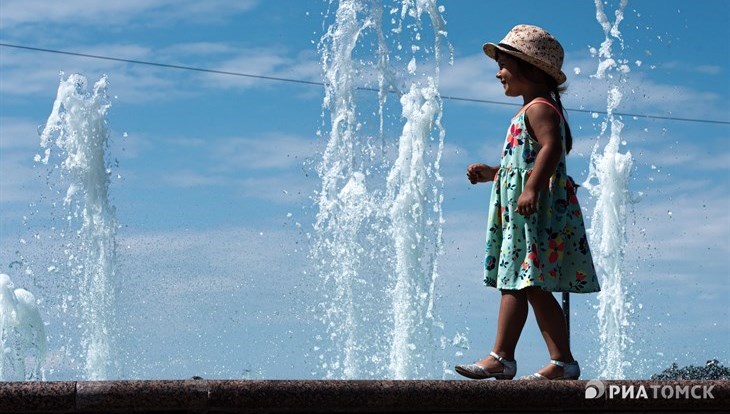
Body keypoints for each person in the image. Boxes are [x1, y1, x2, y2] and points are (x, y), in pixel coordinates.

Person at [454, 24, 600, 381]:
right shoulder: (530, 110)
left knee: (525, 283)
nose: (498, 72)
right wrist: (494, 172)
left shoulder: (540, 109)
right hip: (525, 214)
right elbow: (528, 159)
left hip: (534, 212)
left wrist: (532, 188)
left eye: (504, 64)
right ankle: (524, 358)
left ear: (530, 70)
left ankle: (523, 358)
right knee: (521, 283)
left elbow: (551, 149)